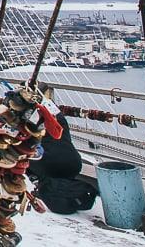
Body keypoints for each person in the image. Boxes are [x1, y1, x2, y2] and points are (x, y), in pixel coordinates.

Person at [29, 83, 96, 214]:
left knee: (24, 154)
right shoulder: (58, 116)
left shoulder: (33, 119)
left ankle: (39, 183)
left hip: (49, 165)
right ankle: (64, 189)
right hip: (74, 164)